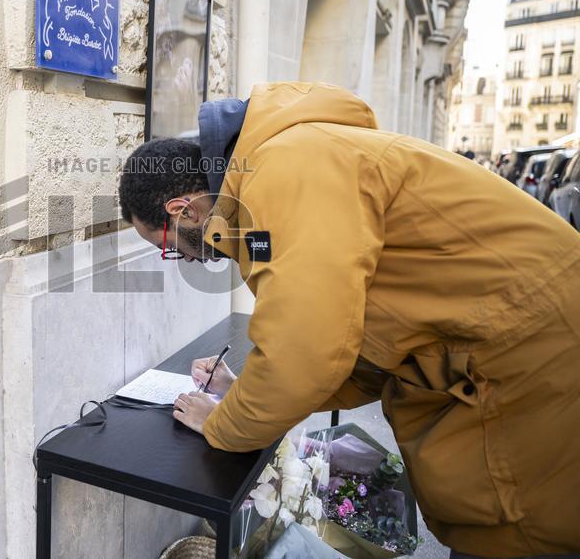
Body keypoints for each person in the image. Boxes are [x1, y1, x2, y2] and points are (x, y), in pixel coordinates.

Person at [117, 82, 580, 557]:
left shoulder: (286, 169)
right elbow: (344, 342)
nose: (183, 259)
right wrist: (245, 393)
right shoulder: (285, 160)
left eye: (168, 246)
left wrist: (223, 422)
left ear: (183, 209)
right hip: (511, 353)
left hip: (528, 364)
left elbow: (306, 353)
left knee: (520, 533)